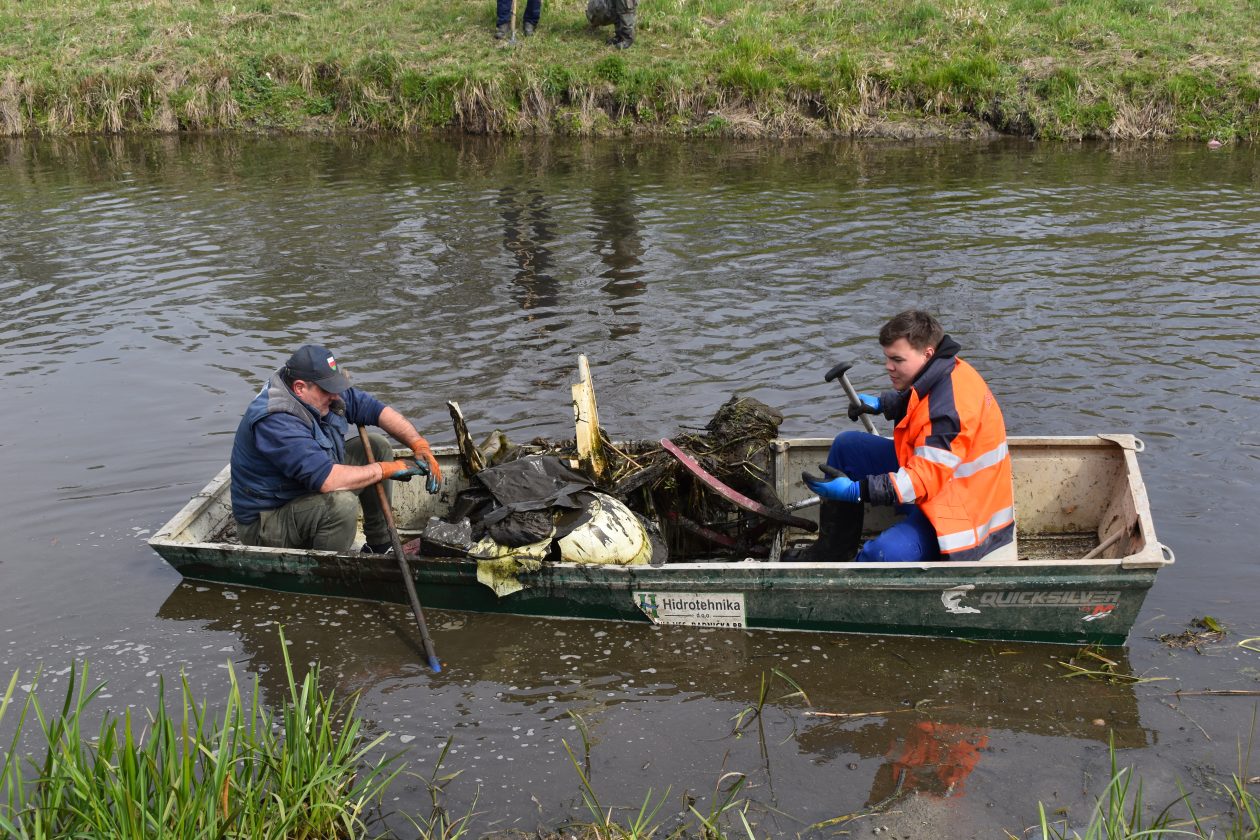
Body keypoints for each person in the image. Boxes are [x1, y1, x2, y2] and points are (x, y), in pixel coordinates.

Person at [802, 310, 1015, 563]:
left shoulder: (950, 411)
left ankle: (851, 579)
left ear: (927, 354)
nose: (888, 366)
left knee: (881, 555)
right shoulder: (947, 368)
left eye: (897, 360)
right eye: (887, 357)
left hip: (960, 512)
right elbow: (923, 398)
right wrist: (885, 404)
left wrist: (856, 491)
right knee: (847, 447)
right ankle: (831, 554)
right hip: (944, 481)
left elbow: (920, 481)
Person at [229, 344, 444, 554]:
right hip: (268, 522)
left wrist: (419, 444)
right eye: (327, 390)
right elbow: (327, 480)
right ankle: (325, 569)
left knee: (377, 446)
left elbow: (376, 410)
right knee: (342, 505)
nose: (334, 396)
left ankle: (380, 545)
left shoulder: (322, 392)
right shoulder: (277, 420)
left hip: (302, 491)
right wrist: (386, 469)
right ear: (300, 388)